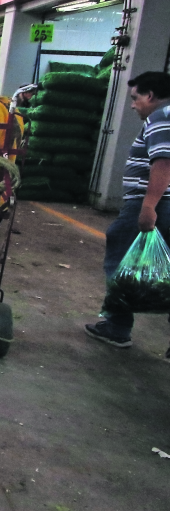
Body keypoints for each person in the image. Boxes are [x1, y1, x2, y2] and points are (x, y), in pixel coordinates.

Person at [85, 71, 170, 349]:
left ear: (150, 96)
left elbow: (163, 162)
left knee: (121, 262)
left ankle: (117, 327)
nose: (133, 105)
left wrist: (148, 206)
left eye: (135, 98)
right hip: (162, 203)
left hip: (153, 204)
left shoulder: (161, 117)